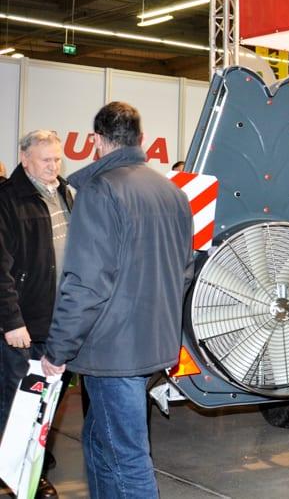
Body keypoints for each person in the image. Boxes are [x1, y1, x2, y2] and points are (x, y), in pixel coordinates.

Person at [40, 102, 193, 498]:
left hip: (113, 353)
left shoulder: (99, 190)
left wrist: (58, 349)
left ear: (96, 140)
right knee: (98, 442)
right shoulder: (172, 193)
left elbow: (86, 283)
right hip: (154, 345)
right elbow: (185, 271)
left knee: (128, 459)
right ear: (141, 139)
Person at [0, 130, 73, 498]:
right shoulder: (7, 199)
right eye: (46, 159)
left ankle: (32, 470)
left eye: (57, 159)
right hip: (23, 326)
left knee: (46, 403)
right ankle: (16, 478)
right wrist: (11, 321)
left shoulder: (64, 193)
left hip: (57, 323)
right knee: (17, 404)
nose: (53, 166)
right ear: (25, 159)